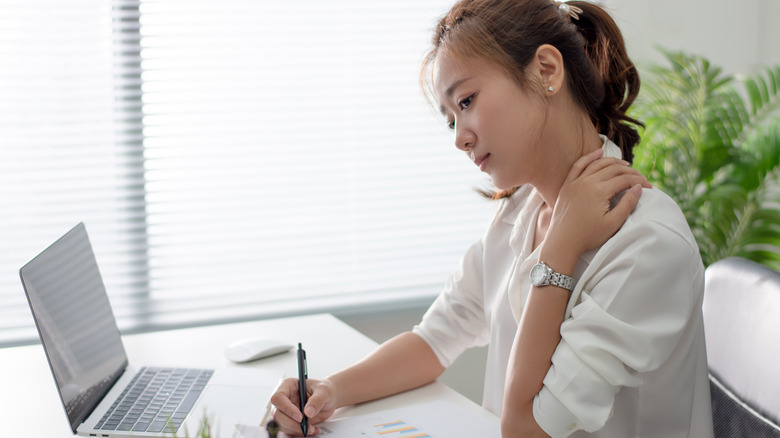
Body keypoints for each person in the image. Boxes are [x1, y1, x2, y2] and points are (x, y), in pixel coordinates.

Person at [271, 0, 714, 436]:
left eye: (466, 100)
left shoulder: (648, 245)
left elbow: (526, 430)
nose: (461, 139)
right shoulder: (519, 208)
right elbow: (434, 339)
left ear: (546, 70)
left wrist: (559, 250)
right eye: (451, 120)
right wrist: (329, 390)